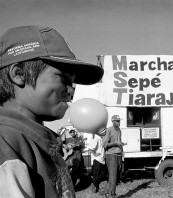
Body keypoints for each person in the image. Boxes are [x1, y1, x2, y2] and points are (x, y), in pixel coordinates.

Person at [0, 25, 103, 198]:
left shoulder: (41, 140)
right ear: (19, 74)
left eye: (74, 83)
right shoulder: (7, 144)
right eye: (64, 79)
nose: (72, 90)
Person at [102, 115, 126, 197]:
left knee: (115, 176)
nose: (119, 122)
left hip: (118, 154)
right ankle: (111, 195)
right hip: (111, 155)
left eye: (119, 121)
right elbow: (104, 144)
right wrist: (115, 144)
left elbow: (118, 141)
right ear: (112, 121)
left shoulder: (119, 130)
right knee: (113, 176)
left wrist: (121, 144)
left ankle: (106, 192)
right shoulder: (109, 130)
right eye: (117, 121)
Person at [83, 128, 108, 193]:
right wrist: (95, 154)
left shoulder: (101, 139)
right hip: (97, 160)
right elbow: (90, 148)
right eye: (104, 132)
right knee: (96, 176)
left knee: (103, 174)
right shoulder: (96, 139)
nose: (105, 133)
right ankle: (94, 189)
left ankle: (95, 186)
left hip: (101, 160)